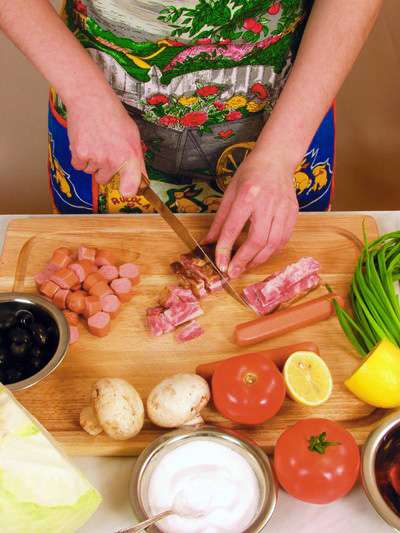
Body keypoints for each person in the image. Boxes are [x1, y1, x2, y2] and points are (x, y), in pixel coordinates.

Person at [0, 0, 382, 278]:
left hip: (287, 114)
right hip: (100, 107)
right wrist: (85, 94)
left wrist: (278, 156)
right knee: (94, 275)